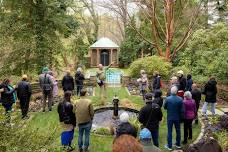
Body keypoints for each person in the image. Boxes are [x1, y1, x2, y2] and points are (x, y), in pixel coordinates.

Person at [164, 86, 184, 151]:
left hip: (170, 117)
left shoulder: (167, 99)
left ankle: (169, 146)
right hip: (177, 117)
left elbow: (165, 107)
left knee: (169, 131)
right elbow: (182, 110)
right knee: (178, 130)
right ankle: (178, 144)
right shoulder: (180, 99)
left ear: (171, 91)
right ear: (177, 92)